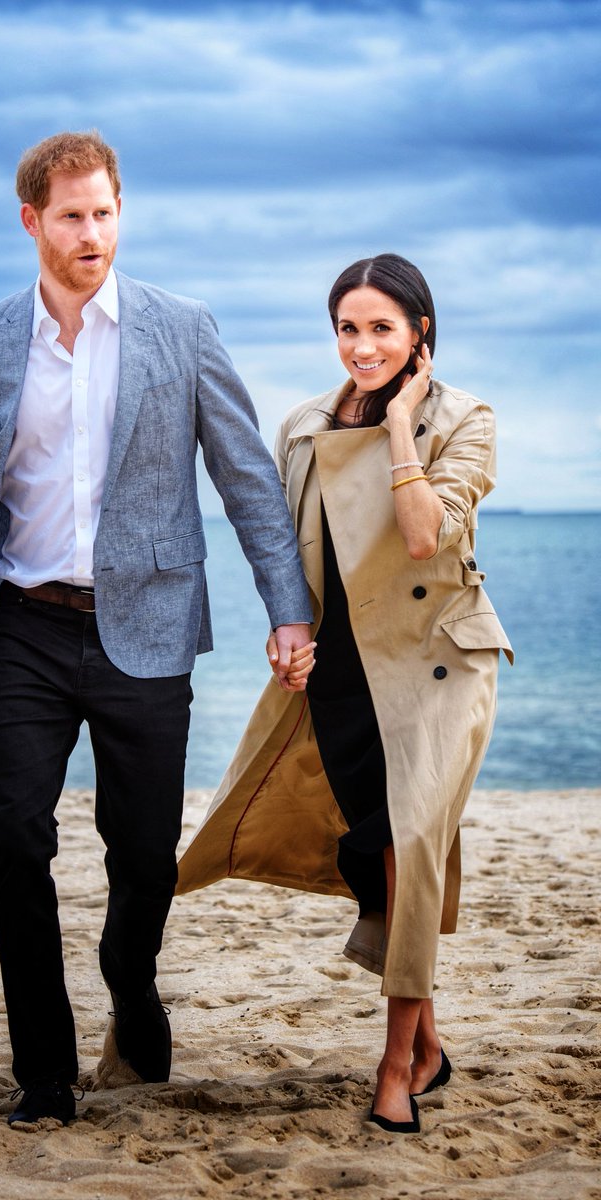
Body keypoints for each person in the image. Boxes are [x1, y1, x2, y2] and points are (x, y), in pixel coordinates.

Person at [0, 130, 313, 1129]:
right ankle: (43, 1070)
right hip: (25, 625)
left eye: (105, 212)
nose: (92, 232)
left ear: (121, 210)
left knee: (142, 854)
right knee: (13, 841)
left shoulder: (180, 327)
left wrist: (285, 606)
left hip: (148, 627)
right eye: (71, 215)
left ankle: (130, 975)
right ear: (31, 221)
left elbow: (245, 477)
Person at [177, 253, 513, 1134]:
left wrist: (401, 425)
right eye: (347, 328)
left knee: (410, 842)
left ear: (420, 334)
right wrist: (285, 633)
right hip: (344, 675)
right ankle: (432, 1043)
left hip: (438, 667)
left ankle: (395, 1064)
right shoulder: (302, 427)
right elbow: (292, 557)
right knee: (377, 853)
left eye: (382, 329)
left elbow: (422, 535)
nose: (361, 346)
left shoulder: (464, 419)